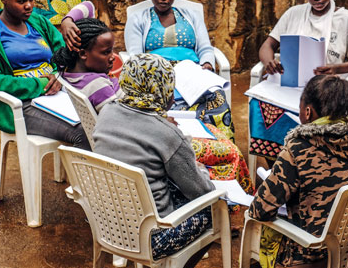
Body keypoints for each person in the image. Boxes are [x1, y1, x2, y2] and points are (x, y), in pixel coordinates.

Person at [53, 18, 254, 194]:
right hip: (155, 141)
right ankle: (233, 205)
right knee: (231, 151)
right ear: (82, 53)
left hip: (147, 131)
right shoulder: (98, 87)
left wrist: (67, 22)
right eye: (106, 52)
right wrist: (163, 123)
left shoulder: (70, 72)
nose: (114, 57)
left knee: (211, 130)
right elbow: (135, 125)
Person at [62, 0, 235, 141]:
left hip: (194, 74)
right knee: (168, 105)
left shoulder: (190, 15)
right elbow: (136, 57)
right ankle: (184, 146)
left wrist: (206, 64)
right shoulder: (138, 19)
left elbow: (205, 47)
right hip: (158, 77)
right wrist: (164, 74)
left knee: (217, 98)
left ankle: (223, 143)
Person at [248, 75, 348, 268]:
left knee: (255, 227)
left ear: (307, 112)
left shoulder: (299, 148)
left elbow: (260, 210)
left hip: (311, 257)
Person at [93, 53, 215, 268]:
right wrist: (204, 173)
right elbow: (200, 192)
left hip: (107, 223)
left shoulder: (107, 112)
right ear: (162, 91)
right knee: (216, 210)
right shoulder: (168, 134)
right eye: (170, 88)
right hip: (151, 237)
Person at [250, 0, 348, 163]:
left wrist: (337, 68)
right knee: (262, 107)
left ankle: (303, 166)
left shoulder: (345, 19)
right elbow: (267, 46)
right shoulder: (293, 14)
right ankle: (278, 165)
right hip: (291, 84)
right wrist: (269, 61)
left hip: (324, 91)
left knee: (307, 115)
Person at [0, 0, 89, 150]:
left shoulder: (38, 22)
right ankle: (83, 180)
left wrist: (57, 76)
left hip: (57, 95)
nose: (29, 6)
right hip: (20, 105)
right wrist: (39, 85)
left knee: (99, 121)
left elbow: (62, 55)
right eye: (21, 1)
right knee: (81, 133)